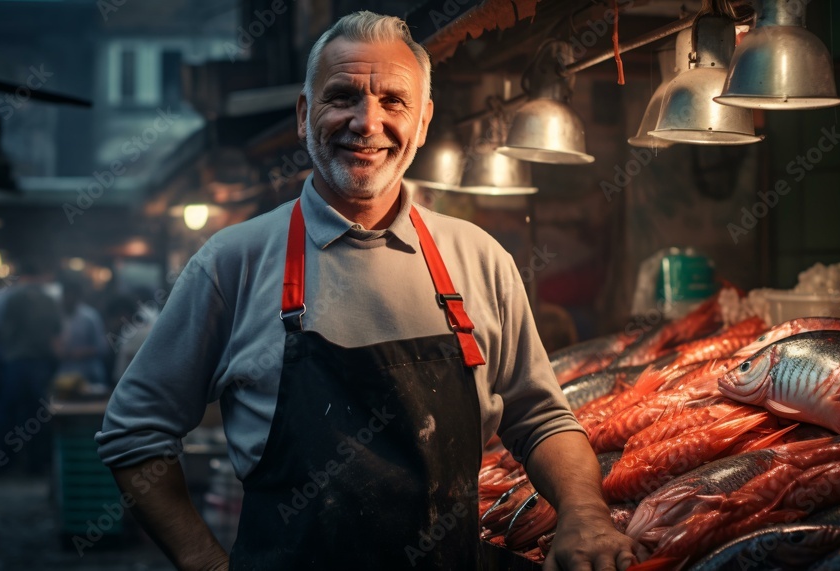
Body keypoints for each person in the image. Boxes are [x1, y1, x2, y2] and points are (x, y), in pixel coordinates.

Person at [97, 11, 645, 571]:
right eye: (342, 97)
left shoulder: (479, 259)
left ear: (424, 121)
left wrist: (584, 513)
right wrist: (206, 564)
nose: (367, 122)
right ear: (305, 113)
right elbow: (135, 434)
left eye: (394, 101)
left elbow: (541, 419)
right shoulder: (231, 263)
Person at [0, 263, 61, 474]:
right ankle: (36, 462)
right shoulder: (49, 299)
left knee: (9, 413)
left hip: (15, 362)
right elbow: (56, 331)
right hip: (40, 363)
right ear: (39, 275)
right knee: (37, 416)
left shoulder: (11, 298)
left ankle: (6, 462)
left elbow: (3, 329)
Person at [56, 274, 109, 388]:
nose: (68, 298)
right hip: (63, 375)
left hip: (89, 373)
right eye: (66, 294)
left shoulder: (90, 317)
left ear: (77, 296)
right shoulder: (57, 316)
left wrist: (78, 353)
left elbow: (102, 347)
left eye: (71, 295)